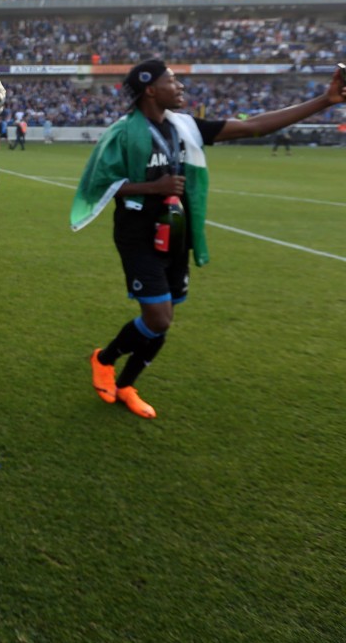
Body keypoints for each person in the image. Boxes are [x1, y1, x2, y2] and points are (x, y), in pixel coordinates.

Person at [72, 59, 345, 418]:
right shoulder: (123, 132)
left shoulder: (186, 127)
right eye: (172, 80)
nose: (180, 86)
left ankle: (125, 385)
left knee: (164, 313)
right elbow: (97, 183)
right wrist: (153, 187)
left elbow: (255, 127)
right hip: (138, 237)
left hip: (176, 234)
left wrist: (326, 100)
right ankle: (104, 360)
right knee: (159, 318)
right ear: (150, 88)